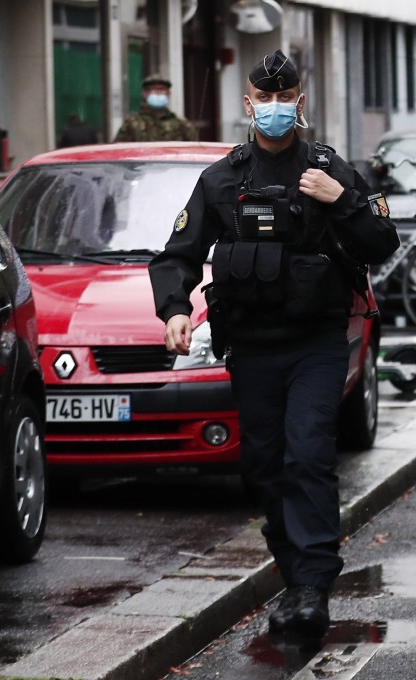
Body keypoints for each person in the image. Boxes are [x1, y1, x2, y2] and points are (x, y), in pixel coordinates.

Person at [148, 50, 399, 636]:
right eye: (266, 99)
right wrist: (176, 309)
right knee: (265, 465)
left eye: (286, 99)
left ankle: (314, 583)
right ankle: (295, 576)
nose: (276, 108)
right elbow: (176, 255)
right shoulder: (222, 179)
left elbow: (382, 240)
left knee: (307, 454)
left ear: (300, 105)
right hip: (252, 347)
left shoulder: (331, 168)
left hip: (315, 343)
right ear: (249, 106)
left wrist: (343, 200)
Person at [114, 73, 198, 142]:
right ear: (145, 94)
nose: (158, 92)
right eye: (153, 89)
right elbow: (118, 151)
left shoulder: (181, 124)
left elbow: (194, 152)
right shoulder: (132, 124)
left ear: (168, 94)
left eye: (161, 89)